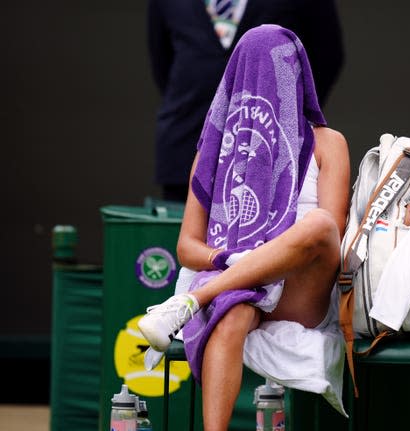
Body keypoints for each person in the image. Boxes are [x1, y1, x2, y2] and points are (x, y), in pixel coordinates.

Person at [138, 25, 350, 430]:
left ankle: (191, 303)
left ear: (299, 76)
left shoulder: (329, 143)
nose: (269, 82)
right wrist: (234, 259)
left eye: (280, 69)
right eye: (255, 70)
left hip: (299, 290)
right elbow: (187, 246)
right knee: (232, 312)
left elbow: (331, 240)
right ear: (237, 79)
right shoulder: (213, 151)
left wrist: (261, 261)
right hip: (235, 277)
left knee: (320, 223)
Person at [147, 0, 345, 202]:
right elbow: (161, 62)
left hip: (272, 151)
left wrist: (290, 116)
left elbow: (327, 55)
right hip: (185, 141)